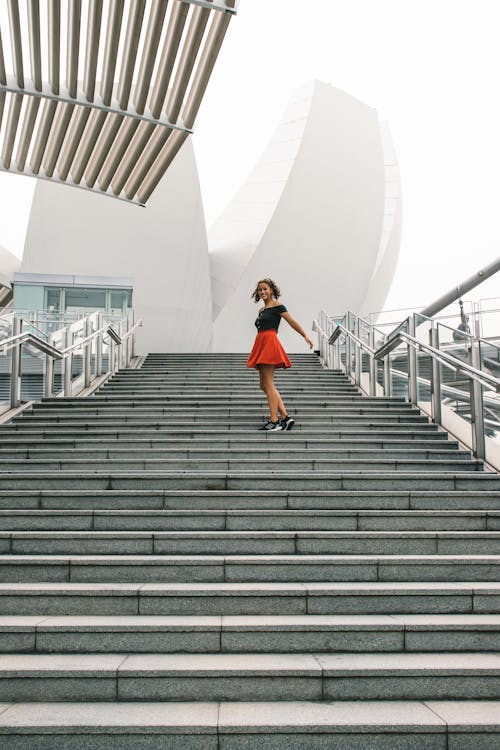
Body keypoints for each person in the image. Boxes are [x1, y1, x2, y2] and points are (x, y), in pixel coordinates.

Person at [247, 278, 313, 431]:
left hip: (269, 342)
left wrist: (304, 335)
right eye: (260, 290)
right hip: (261, 342)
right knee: (263, 385)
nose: (262, 292)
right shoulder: (261, 310)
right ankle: (285, 417)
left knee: (268, 384)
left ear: (271, 290)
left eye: (265, 289)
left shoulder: (277, 306)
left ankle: (274, 421)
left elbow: (292, 321)